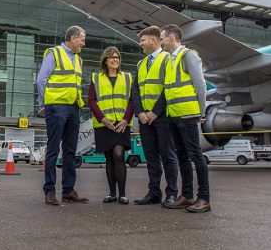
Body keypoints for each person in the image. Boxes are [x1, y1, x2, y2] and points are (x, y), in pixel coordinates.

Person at [159, 24, 210, 213]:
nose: (161, 42)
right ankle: (187, 195)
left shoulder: (188, 55)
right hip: (174, 114)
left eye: (163, 38)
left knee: (195, 154)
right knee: (182, 156)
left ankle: (204, 198)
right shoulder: (170, 60)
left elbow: (200, 84)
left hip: (188, 113)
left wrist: (201, 111)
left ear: (171, 37)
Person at [37, 25, 89, 205]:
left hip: (73, 108)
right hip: (56, 107)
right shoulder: (55, 53)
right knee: (53, 150)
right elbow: (41, 80)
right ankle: (49, 191)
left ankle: (68, 190)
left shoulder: (78, 60)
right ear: (73, 38)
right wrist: (44, 103)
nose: (83, 43)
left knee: (70, 150)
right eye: (82, 39)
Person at [131, 26, 179, 206]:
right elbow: (136, 89)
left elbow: (170, 87)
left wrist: (154, 112)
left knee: (168, 156)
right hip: (145, 119)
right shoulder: (141, 64)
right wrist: (140, 113)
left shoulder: (168, 59)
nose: (140, 44)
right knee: (150, 156)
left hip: (164, 117)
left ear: (153, 40)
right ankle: (154, 193)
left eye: (142, 40)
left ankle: (172, 193)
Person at [88, 47, 134, 204]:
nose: (115, 60)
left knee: (118, 154)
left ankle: (122, 194)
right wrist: (102, 119)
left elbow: (132, 101)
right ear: (105, 61)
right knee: (109, 158)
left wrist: (126, 119)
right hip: (104, 124)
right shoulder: (96, 78)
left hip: (121, 124)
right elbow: (91, 101)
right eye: (112, 57)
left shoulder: (127, 77)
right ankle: (112, 193)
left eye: (118, 57)